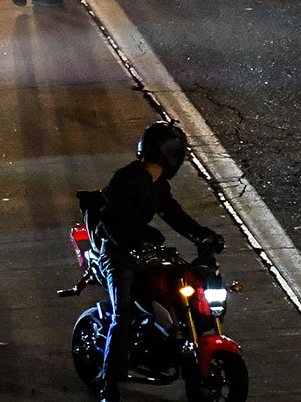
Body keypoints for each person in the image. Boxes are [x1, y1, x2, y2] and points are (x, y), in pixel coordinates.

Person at [95, 121, 223, 400]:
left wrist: (203, 236)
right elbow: (109, 220)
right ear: (171, 154)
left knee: (182, 291)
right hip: (117, 255)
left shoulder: (159, 187)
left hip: (144, 253)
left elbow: (175, 216)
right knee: (122, 314)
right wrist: (133, 240)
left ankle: (174, 346)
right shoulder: (127, 179)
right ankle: (110, 384)